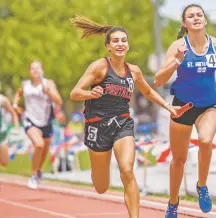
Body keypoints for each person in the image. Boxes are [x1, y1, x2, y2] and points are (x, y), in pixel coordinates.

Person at [69, 15, 191, 218]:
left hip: (123, 124)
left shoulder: (134, 71)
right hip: (97, 126)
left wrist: (167, 106)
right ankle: (99, 168)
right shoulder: (99, 66)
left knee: (127, 170)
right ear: (108, 46)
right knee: (101, 186)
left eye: (123, 40)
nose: (120, 44)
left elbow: (148, 92)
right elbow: (74, 93)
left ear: (128, 45)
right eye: (115, 41)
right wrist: (91, 94)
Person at [154, 4, 216, 217]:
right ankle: (173, 202)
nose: (195, 18)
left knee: (204, 141)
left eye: (199, 15)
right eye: (190, 16)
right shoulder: (177, 47)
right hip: (182, 107)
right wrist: (177, 61)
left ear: (205, 20)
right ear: (184, 23)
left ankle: (202, 186)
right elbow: (158, 80)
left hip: (209, 105)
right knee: (178, 160)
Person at [13, 61, 63, 189]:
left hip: (46, 121)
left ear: (42, 70)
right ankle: (33, 175)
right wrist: (15, 105)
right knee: (39, 144)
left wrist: (49, 92)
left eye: (38, 68)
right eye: (32, 68)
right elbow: (18, 94)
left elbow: (59, 101)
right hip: (30, 120)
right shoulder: (26, 85)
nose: (35, 70)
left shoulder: (48, 83)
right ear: (29, 72)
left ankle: (39, 170)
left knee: (45, 149)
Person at [0, 94, 20, 166]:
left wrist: (17, 128)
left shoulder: (3, 100)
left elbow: (13, 114)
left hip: (2, 135)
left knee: (4, 162)